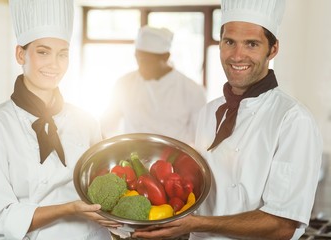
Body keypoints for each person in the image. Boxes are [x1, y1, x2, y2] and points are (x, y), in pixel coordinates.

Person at [132, 0, 323, 239]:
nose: (237, 55)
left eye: (251, 44)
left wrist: (197, 224)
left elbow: (282, 226)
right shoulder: (208, 112)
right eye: (229, 42)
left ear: (272, 50)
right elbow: (197, 195)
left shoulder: (293, 120)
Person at [0, 0, 118, 239]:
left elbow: (101, 189)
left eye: (63, 54)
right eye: (42, 52)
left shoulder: (87, 120)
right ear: (21, 54)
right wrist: (70, 208)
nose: (54, 64)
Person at [100, 25, 207, 146]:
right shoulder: (124, 84)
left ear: (166, 57)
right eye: (138, 58)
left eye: (146, 61)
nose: (140, 66)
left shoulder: (193, 90)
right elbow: (106, 126)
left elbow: (200, 139)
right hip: (132, 159)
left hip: (175, 161)